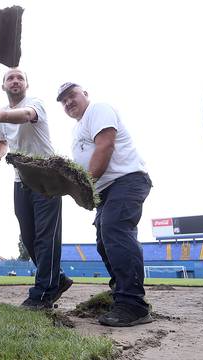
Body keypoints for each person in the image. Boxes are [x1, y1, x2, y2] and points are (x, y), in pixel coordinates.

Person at [56, 82, 153, 327]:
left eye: (72, 95)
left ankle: (133, 304)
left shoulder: (98, 110)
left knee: (115, 231)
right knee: (103, 240)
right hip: (106, 191)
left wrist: (85, 185)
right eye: (63, 100)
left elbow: (105, 145)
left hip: (127, 180)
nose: (68, 102)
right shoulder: (76, 131)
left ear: (85, 94)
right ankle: (121, 291)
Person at [0, 68, 73, 309]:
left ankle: (43, 293)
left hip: (47, 177)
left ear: (26, 85)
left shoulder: (35, 104)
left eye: (19, 78)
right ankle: (59, 277)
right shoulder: (1, 116)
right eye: (10, 78)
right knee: (28, 236)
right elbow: (2, 142)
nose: (15, 81)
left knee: (46, 236)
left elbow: (25, 115)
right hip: (21, 179)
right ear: (3, 86)